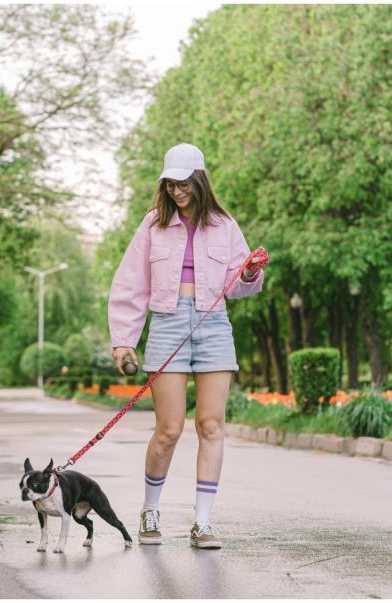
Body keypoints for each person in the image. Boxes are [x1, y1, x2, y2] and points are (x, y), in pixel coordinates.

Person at [108, 143, 266, 549]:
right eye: (170, 184)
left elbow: (241, 287)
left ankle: (203, 522)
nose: (177, 191)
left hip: (213, 324)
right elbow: (130, 284)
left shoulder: (225, 224)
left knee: (211, 425)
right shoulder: (153, 225)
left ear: (200, 180)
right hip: (168, 323)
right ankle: (150, 510)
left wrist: (248, 271)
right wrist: (123, 341)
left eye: (184, 184)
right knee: (169, 429)